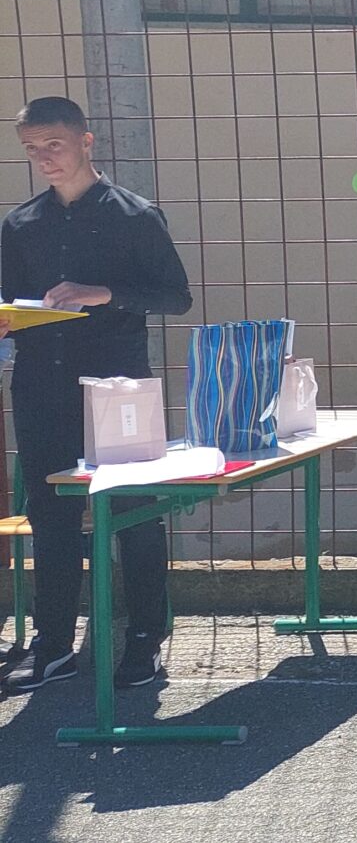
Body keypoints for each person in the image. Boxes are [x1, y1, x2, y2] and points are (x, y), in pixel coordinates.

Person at [0, 97, 193, 695]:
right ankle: (53, 646)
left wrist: (104, 292)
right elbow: (10, 299)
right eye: (31, 148)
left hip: (117, 387)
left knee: (135, 515)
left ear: (87, 141)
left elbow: (176, 297)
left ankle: (145, 639)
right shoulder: (19, 224)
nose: (43, 158)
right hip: (41, 386)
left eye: (53, 144)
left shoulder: (136, 216)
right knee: (50, 516)